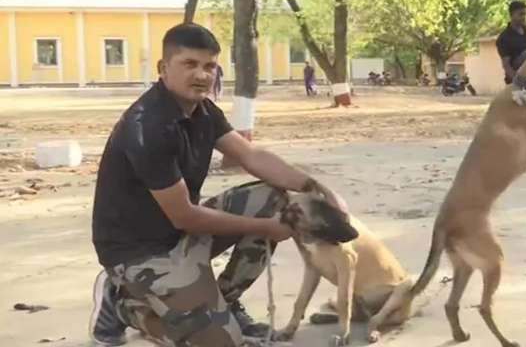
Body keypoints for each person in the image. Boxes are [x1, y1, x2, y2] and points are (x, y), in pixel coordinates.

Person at [88, 23, 343, 346]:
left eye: (209, 66)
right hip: (138, 252)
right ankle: (124, 305)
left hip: (179, 234)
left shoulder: (203, 111)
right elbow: (185, 216)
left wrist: (316, 187)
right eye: (190, 64)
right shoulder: (148, 127)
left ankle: (223, 300)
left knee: (275, 197)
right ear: (164, 69)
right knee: (221, 342)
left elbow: (251, 156)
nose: (202, 75)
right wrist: (267, 228)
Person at [496, 0, 526, 85]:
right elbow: (506, 65)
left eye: (525, 14)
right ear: (512, 15)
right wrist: (517, 81)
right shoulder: (504, 38)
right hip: (515, 80)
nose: (524, 17)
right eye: (520, 14)